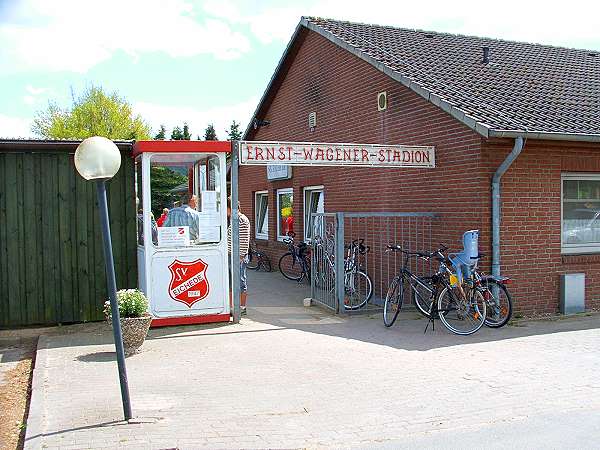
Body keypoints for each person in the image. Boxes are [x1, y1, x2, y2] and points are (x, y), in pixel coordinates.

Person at [227, 197, 250, 314]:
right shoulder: (235, 219)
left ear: (229, 208)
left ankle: (241, 307)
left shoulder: (241, 220)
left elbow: (244, 241)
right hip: (233, 255)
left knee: (240, 281)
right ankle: (233, 306)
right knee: (232, 281)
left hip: (238, 257)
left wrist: (240, 257)